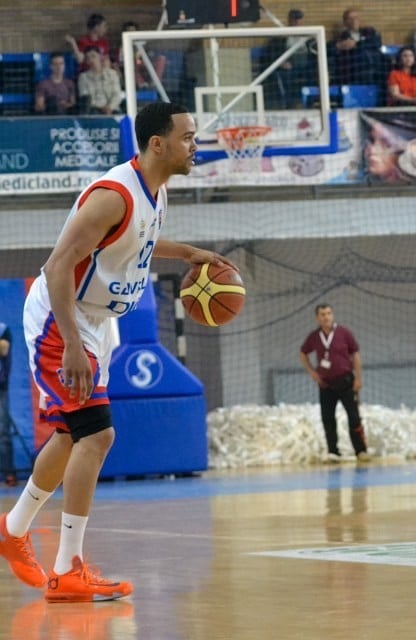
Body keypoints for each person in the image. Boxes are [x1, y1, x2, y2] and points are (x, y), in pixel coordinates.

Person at [0, 102, 234, 602]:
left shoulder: (155, 190)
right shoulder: (112, 195)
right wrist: (71, 348)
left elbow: (138, 242)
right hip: (61, 317)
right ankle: (67, 570)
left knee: (70, 434)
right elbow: (59, 265)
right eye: (189, 137)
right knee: (98, 434)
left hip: (97, 320)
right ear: (158, 144)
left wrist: (188, 252)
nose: (196, 145)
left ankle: (14, 529)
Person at [299, 304, 369, 463]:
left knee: (354, 416)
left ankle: (361, 451)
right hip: (326, 384)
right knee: (328, 418)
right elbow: (303, 353)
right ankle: (333, 452)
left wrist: (358, 377)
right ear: (317, 318)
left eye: (329, 313)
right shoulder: (314, 336)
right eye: (323, 314)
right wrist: (312, 372)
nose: (326, 317)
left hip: (346, 381)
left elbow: (355, 354)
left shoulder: (344, 333)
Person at [263, 9, 314, 109]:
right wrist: (281, 62)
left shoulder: (309, 37)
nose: (296, 22)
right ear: (289, 20)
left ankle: (311, 103)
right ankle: (292, 104)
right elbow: (270, 54)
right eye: (294, 19)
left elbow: (315, 54)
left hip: (306, 68)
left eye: (298, 19)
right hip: (289, 68)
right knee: (286, 76)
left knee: (314, 74)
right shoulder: (280, 38)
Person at [332, 8, 384, 86]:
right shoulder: (343, 38)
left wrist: (356, 44)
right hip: (356, 71)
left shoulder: (370, 31)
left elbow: (377, 43)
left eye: (356, 17)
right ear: (345, 22)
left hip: (374, 66)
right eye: (350, 18)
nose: (354, 20)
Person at [77, 48, 122, 115]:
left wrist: (109, 107)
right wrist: (102, 108)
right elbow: (86, 100)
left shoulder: (112, 74)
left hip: (113, 109)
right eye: (88, 58)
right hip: (94, 111)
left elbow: (117, 94)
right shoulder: (83, 77)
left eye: (93, 56)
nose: (91, 60)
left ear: (100, 57)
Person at [0, 322, 15, 488]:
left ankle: (9, 472)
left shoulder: (3, 329)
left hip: (0, 388)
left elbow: (3, 349)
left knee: (3, 432)